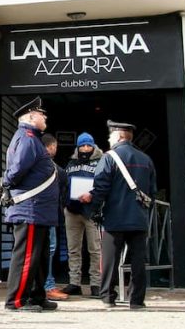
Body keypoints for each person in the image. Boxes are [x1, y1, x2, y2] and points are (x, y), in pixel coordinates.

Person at [80, 120, 157, 310]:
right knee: (138, 261)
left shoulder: (109, 158)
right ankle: (136, 300)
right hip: (139, 219)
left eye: (110, 136)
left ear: (119, 136)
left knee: (110, 259)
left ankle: (108, 297)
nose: (108, 139)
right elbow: (152, 192)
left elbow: (101, 188)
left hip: (114, 218)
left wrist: (92, 208)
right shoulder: (146, 159)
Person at [0, 97, 61, 312]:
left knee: (40, 258)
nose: (45, 117)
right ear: (32, 116)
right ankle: (16, 301)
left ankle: (37, 297)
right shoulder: (27, 139)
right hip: (31, 209)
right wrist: (6, 183)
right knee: (26, 257)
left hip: (39, 211)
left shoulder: (33, 138)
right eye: (42, 114)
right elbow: (16, 170)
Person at [62, 132, 103, 297]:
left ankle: (96, 284)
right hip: (72, 210)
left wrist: (92, 195)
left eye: (88, 145)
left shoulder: (101, 162)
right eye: (82, 146)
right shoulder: (71, 163)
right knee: (73, 249)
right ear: (77, 147)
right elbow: (64, 184)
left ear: (93, 146)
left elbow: (104, 184)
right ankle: (74, 283)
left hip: (92, 211)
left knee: (95, 250)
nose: (85, 148)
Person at [41, 133, 70, 301]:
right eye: (55, 147)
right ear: (51, 146)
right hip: (48, 213)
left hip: (36, 213)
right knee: (50, 249)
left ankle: (42, 284)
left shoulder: (33, 163)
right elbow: (63, 191)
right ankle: (48, 286)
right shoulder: (52, 168)